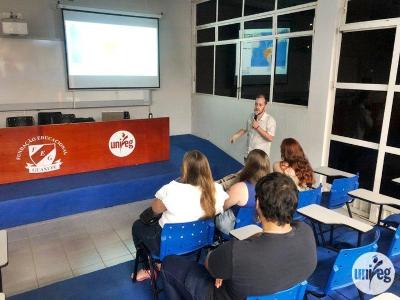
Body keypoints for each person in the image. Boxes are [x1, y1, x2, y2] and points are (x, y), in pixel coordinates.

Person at [161, 172, 317, 299]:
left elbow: (209, 264)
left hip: (220, 294)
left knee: (170, 264)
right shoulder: (306, 232)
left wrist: (225, 263)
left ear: (257, 205)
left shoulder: (236, 252)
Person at [131, 150, 229, 281]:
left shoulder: (172, 188)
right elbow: (220, 208)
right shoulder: (216, 189)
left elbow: (154, 209)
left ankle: (151, 269)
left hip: (167, 243)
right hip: (201, 239)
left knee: (137, 225)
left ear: (185, 169)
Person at [216, 149, 270, 234]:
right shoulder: (270, 188)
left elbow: (221, 206)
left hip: (234, 228)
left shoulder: (240, 188)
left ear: (249, 166)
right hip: (256, 228)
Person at [230, 94, 276, 158]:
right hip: (248, 154)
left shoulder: (270, 120)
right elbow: (245, 129)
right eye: (256, 104)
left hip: (260, 158)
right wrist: (236, 136)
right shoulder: (251, 116)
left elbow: (270, 138)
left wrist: (257, 127)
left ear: (265, 106)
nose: (257, 107)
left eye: (260, 105)